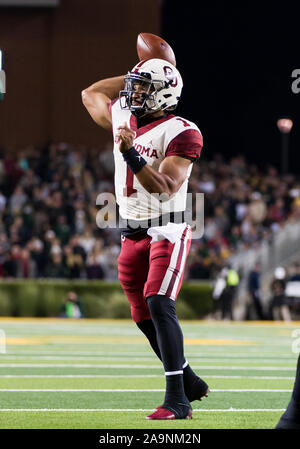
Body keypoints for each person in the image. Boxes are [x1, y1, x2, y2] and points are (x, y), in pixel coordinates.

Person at [82, 58, 209, 420]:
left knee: (158, 301)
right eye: (134, 86)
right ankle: (189, 380)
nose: (133, 93)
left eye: (143, 87)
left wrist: (131, 154)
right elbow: (90, 94)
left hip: (167, 225)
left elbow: (167, 189)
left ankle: (178, 401)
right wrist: (138, 72)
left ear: (164, 93)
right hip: (130, 230)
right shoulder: (126, 115)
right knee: (140, 314)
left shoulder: (183, 130)